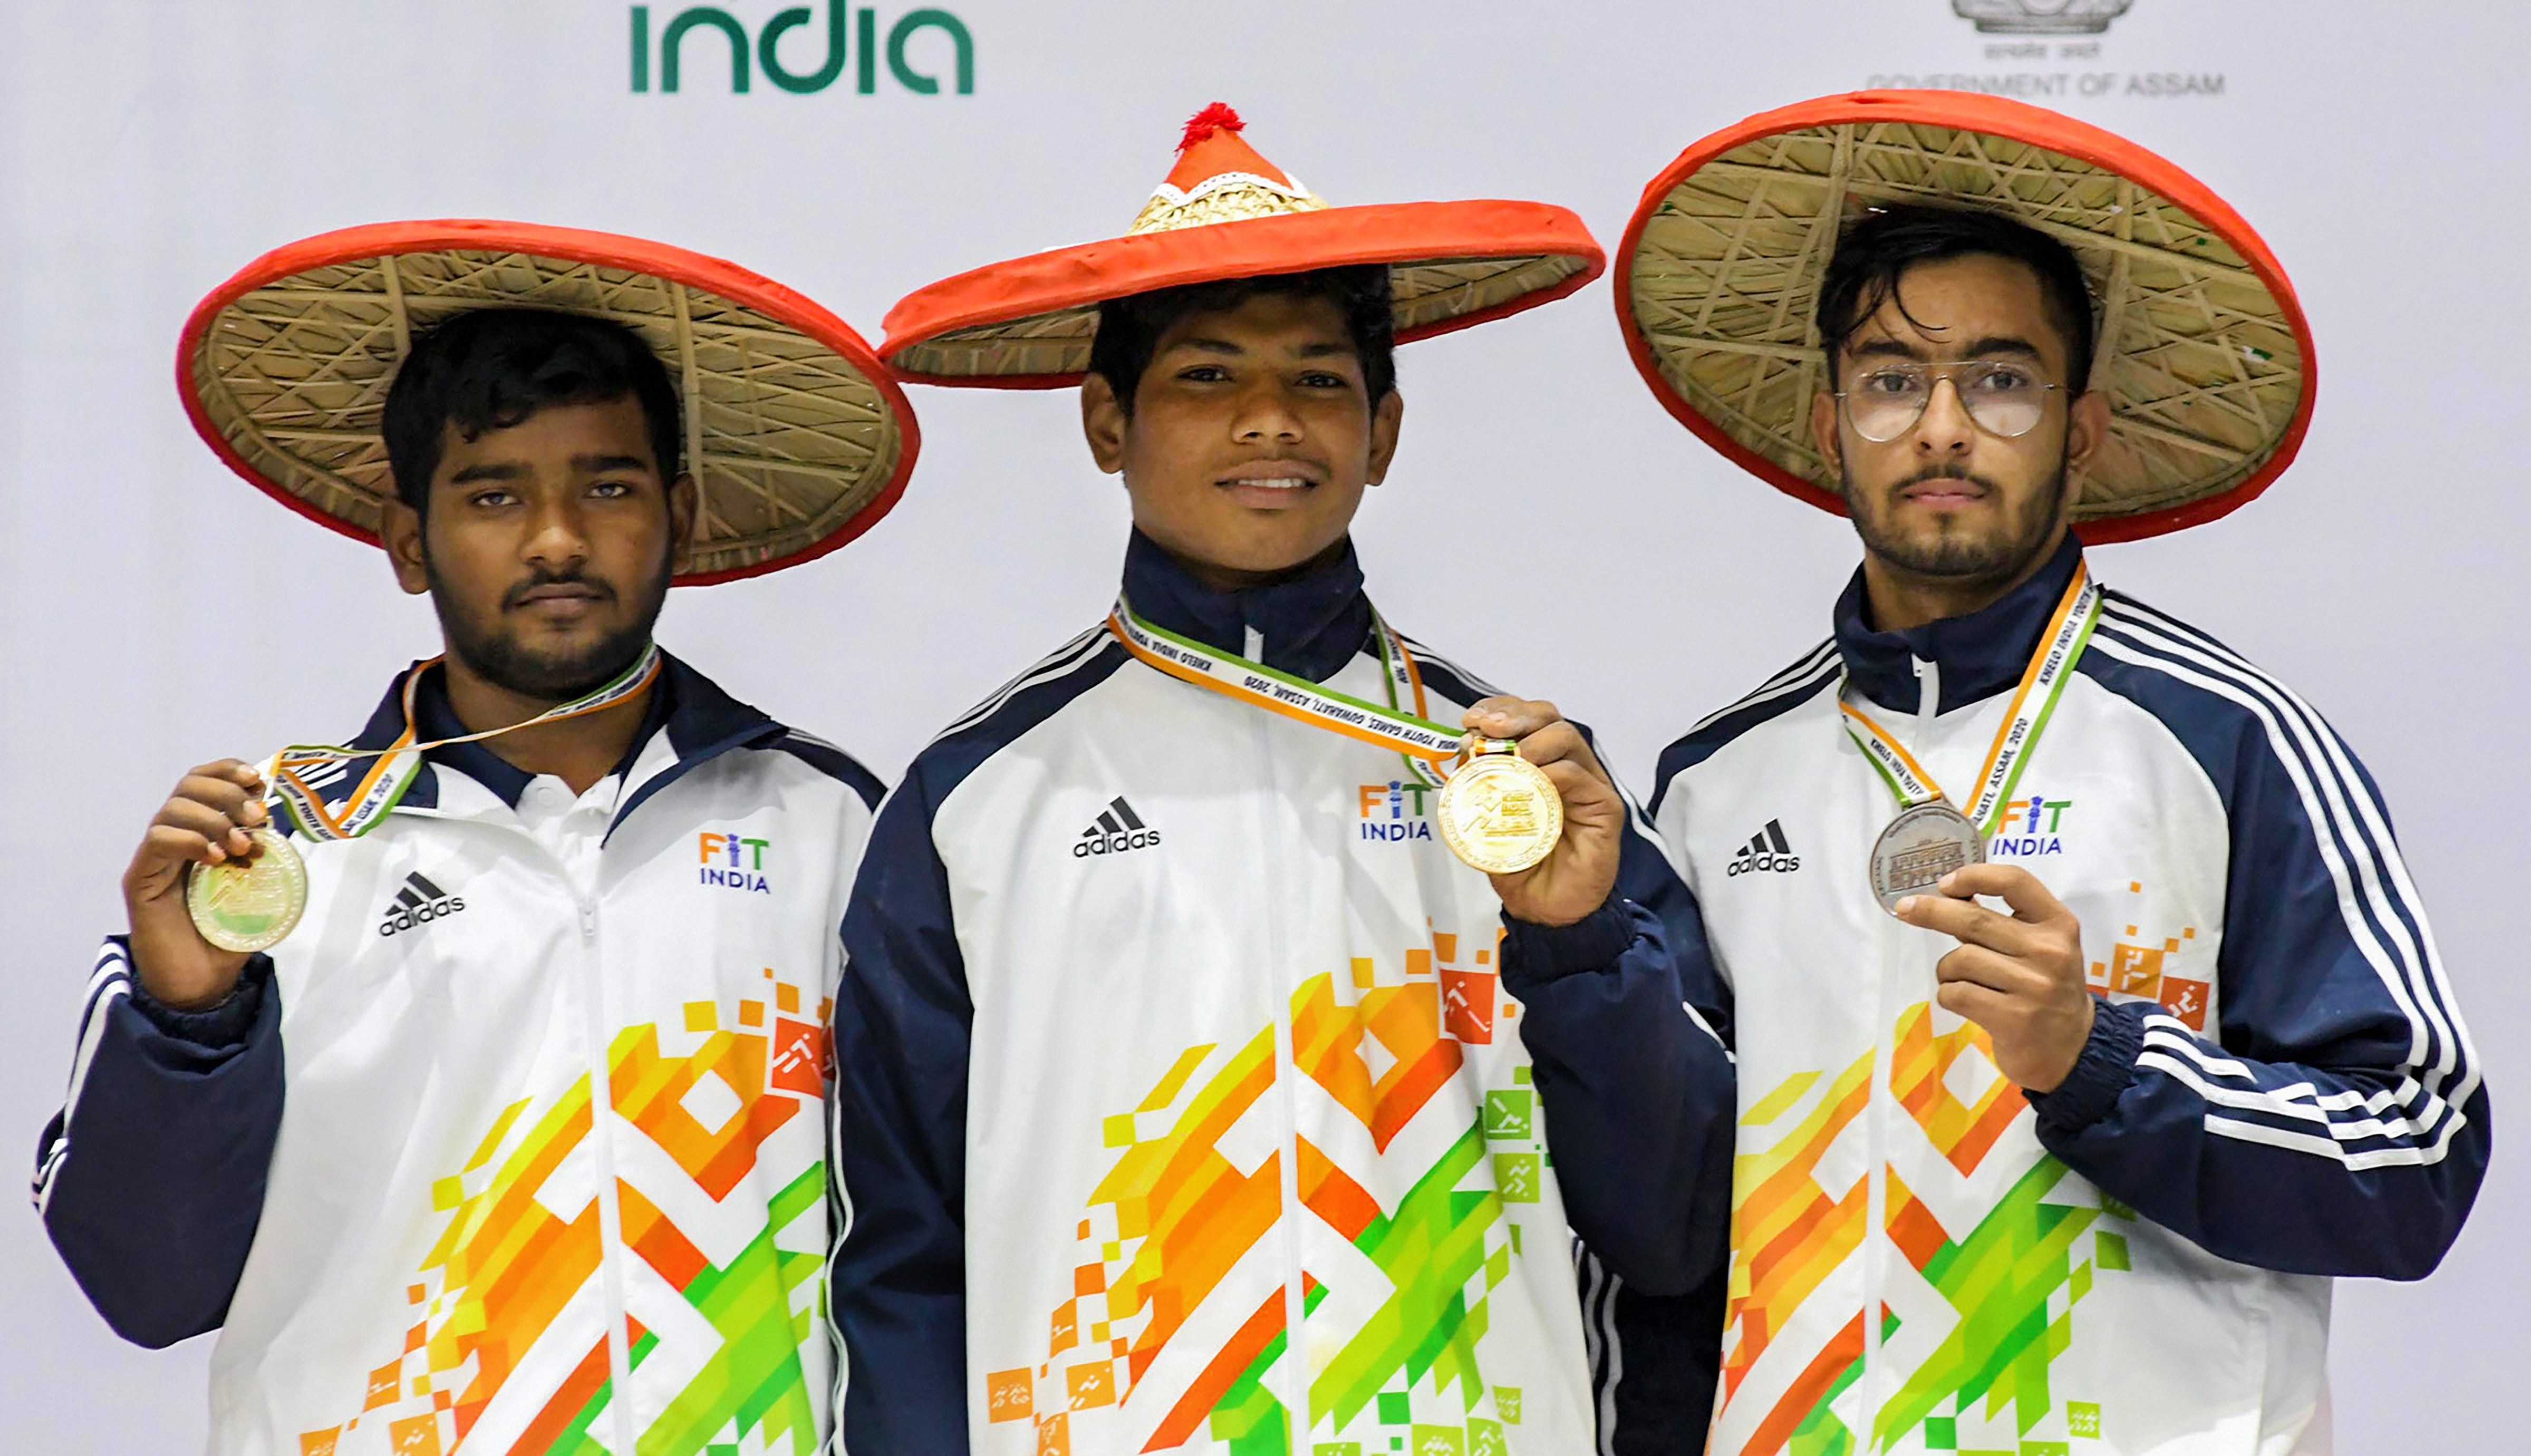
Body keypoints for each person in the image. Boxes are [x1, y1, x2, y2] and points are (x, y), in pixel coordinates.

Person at [1582, 91, 2488, 1453]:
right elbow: (1674, 1234)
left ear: (2085, 428)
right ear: (1832, 427)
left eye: (2001, 380)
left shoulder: (2233, 737)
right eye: (1892, 381)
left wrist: (2101, 1059)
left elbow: (2414, 1163)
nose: (1942, 428)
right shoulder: (1719, 778)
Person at [834, 105, 1737, 1454]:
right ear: (1104, 422)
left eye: (1319, 382)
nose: (1270, 421)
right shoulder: (976, 798)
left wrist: (1580, 937)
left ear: (1382, 429)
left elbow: (1676, 1236)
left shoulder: (1530, 777)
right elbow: (901, 1270)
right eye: (1206, 378)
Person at [34, 222, 920, 1456]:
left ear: (681, 512)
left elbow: (926, 1237)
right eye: (494, 494)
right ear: (409, 541)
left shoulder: (829, 823)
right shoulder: (269, 854)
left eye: (606, 486)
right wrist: (188, 1018)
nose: (557, 538)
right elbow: (147, 1287)